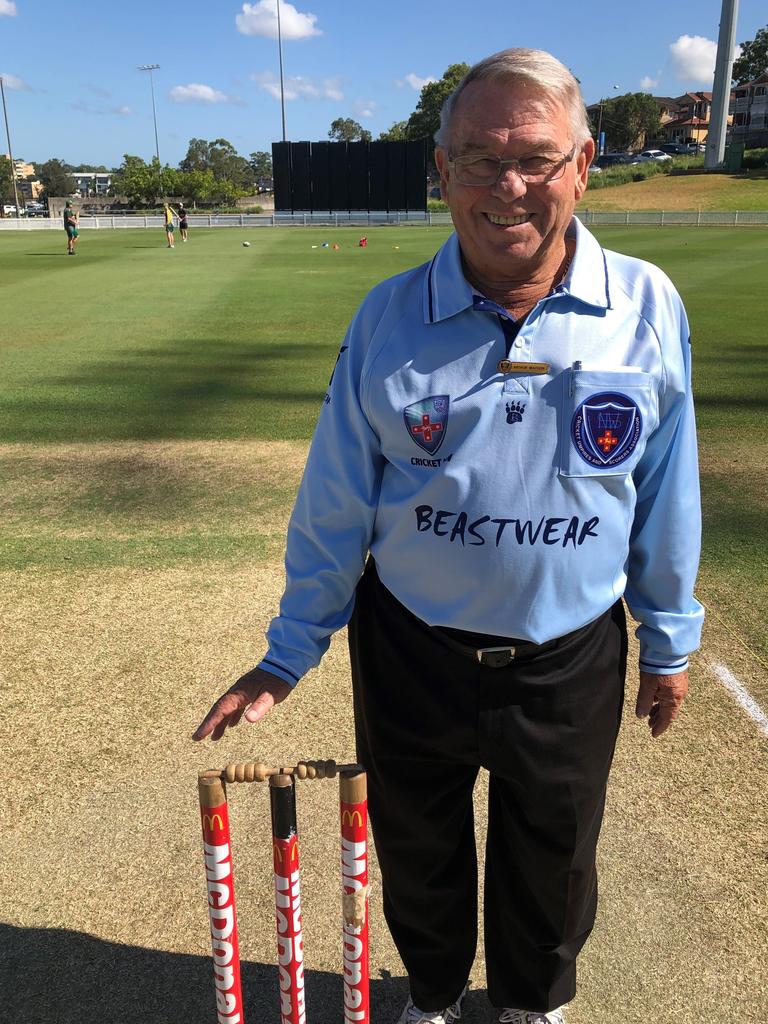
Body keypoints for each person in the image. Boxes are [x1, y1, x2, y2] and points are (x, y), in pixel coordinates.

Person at [193, 48, 703, 1024]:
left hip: (570, 655)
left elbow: (665, 486)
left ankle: (529, 1005)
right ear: (442, 170)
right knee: (418, 849)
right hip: (413, 648)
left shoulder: (646, 307)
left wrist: (669, 638)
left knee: (552, 862)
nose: (506, 186)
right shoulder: (389, 317)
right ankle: (429, 996)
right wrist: (289, 649)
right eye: (478, 159)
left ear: (583, 164)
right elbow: (336, 498)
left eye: (536, 159)